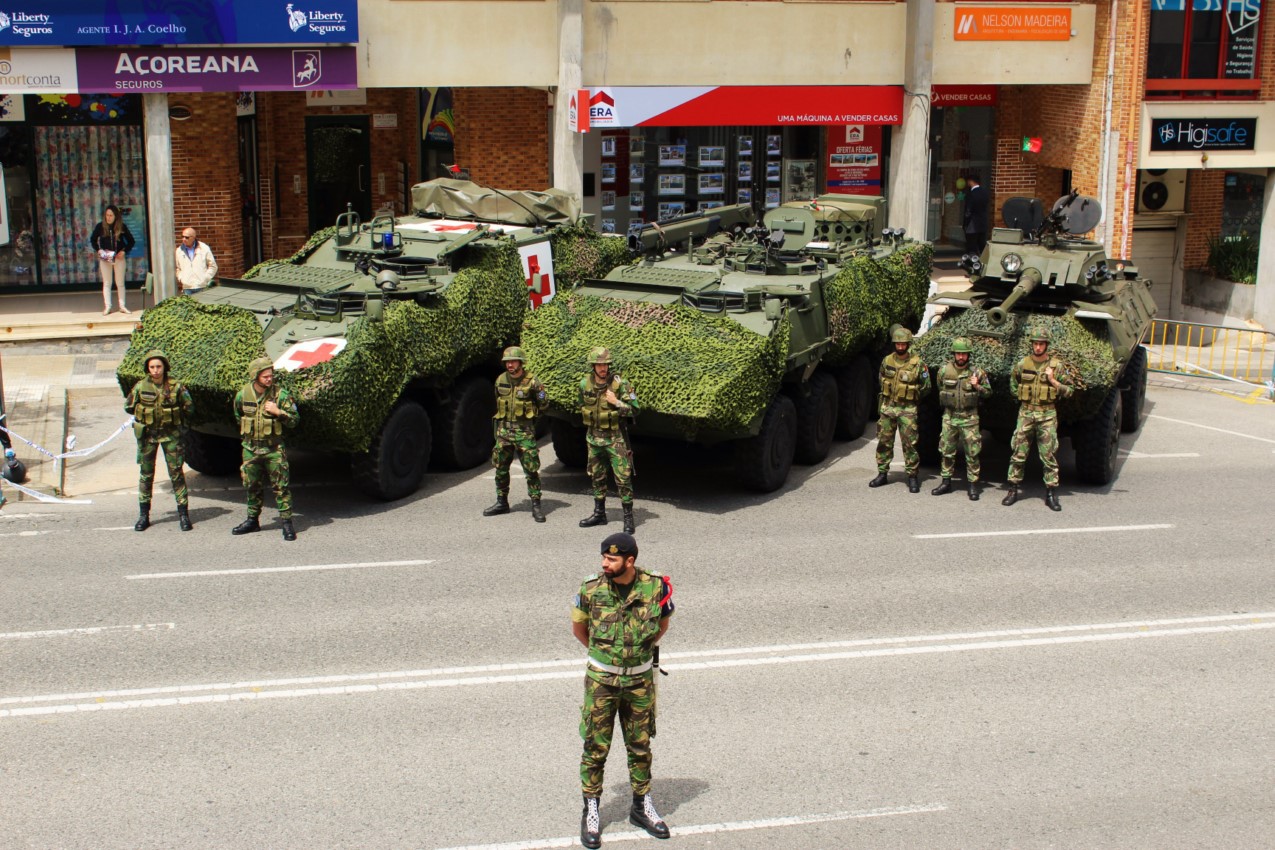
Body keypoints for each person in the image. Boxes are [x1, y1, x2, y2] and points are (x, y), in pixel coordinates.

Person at [571, 532, 674, 849]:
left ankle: (641, 805)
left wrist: (635, 655)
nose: (605, 563)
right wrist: (610, 659)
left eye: (612, 559)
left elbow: (663, 623)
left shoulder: (655, 586)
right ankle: (591, 808)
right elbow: (579, 628)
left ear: (630, 561)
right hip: (602, 680)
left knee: (640, 745)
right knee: (595, 747)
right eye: (603, 557)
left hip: (639, 681)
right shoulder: (591, 588)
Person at [125, 350, 194, 532]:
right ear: (147, 368)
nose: (155, 370)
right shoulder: (140, 387)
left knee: (176, 474)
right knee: (146, 475)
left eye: (159, 366)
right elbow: (129, 406)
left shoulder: (176, 387)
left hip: (171, 436)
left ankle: (184, 515)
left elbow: (189, 407)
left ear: (165, 367)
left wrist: (180, 427)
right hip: (148, 436)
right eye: (152, 367)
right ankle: (144, 516)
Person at [1004, 329, 1073, 511]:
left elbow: (1069, 390)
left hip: (1047, 415)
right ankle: (1013, 489)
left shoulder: (1056, 366)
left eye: (1041, 343)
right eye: (1035, 343)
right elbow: (1013, 384)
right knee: (1018, 453)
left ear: (1046, 345)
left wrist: (1053, 381)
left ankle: (1050, 493)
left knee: (1048, 455)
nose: (1038, 346)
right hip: (1026, 414)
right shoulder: (1022, 364)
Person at [232, 357, 299, 539]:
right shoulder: (243, 395)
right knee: (252, 486)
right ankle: (252, 520)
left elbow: (294, 420)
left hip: (274, 450)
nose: (269, 379)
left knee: (281, 487)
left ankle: (287, 523)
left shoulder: (280, 395)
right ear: (255, 376)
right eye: (265, 376)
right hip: (251, 449)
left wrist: (279, 412)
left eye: (271, 376)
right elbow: (238, 416)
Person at [482, 346, 548, 522]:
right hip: (504, 432)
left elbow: (543, 403)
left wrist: (531, 421)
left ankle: (536, 505)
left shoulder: (532, 382)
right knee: (500, 468)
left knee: (531, 470)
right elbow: (497, 399)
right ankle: (501, 502)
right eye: (507, 362)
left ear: (521, 362)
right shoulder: (500, 380)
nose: (510, 365)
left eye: (513, 361)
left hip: (524, 432)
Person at [577, 347, 639, 534]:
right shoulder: (584, 384)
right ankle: (599, 513)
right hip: (594, 438)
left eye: (605, 365)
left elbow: (635, 408)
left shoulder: (620, 384)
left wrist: (617, 402)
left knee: (623, 478)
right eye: (599, 365)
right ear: (593, 366)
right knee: (597, 477)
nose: (603, 368)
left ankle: (628, 518)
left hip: (615, 440)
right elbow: (581, 404)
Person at [869, 327, 931, 492]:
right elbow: (881, 378)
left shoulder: (918, 364)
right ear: (894, 344)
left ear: (908, 344)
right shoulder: (887, 361)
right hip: (888, 407)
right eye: (898, 343)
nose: (901, 347)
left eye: (904, 344)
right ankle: (882, 473)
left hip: (907, 410)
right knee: (884, 441)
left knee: (910, 444)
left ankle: (912, 476)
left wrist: (912, 397)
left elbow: (926, 387)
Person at [931, 337, 992, 501]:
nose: (961, 357)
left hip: (969, 418)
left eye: (964, 354)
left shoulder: (977, 372)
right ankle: (946, 482)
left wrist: (977, 385)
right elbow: (939, 386)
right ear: (954, 354)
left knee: (972, 453)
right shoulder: (944, 371)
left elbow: (988, 392)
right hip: (950, 417)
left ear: (968, 355)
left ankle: (973, 485)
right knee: (946, 451)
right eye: (958, 353)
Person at [90, 205, 136, 315]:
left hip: (118, 258)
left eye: (111, 215)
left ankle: (122, 306)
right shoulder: (100, 227)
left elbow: (131, 241)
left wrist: (124, 251)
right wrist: (99, 250)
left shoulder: (121, 227)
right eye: (107, 215)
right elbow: (93, 239)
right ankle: (108, 306)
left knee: (120, 283)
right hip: (106, 257)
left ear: (116, 216)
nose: (108, 218)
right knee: (107, 283)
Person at [175, 227, 218, 295]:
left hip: (202, 286)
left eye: (186, 237)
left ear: (193, 237)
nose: (184, 239)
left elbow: (213, 266)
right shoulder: (179, 250)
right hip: (187, 288)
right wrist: (181, 278)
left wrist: (205, 278)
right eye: (182, 236)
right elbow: (178, 268)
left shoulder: (204, 248)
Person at [963, 173, 989, 256]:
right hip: (983, 223)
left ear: (970, 181)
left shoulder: (971, 194)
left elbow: (968, 210)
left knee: (972, 247)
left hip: (972, 225)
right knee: (982, 245)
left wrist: (965, 223)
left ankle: (973, 263)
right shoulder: (985, 192)